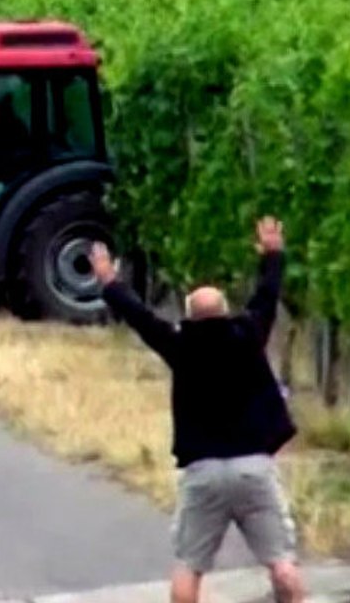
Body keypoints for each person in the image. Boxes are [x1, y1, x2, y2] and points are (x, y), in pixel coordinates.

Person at [88, 217, 305, 603]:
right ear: (225, 311)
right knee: (281, 563)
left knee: (190, 565)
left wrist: (109, 281)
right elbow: (267, 296)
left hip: (202, 471)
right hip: (253, 465)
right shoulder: (249, 335)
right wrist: (272, 254)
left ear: (188, 316)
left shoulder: (179, 345)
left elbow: (140, 317)